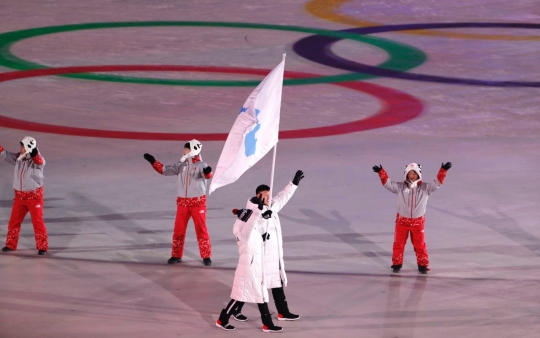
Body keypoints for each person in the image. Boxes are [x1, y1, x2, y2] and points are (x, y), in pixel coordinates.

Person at [216, 170, 304, 332]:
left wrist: (293, 184)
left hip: (269, 255)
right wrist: (261, 213)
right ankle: (253, 320)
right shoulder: (249, 215)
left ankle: (280, 313)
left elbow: (281, 198)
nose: (269, 198)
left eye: (269, 195)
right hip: (258, 257)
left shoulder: (269, 208)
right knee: (252, 290)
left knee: (269, 284)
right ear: (258, 195)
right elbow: (250, 229)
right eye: (265, 195)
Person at [216, 196, 283, 332]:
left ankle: (267, 324)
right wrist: (258, 212)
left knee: (260, 295)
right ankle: (222, 320)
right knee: (238, 297)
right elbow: (250, 225)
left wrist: (264, 218)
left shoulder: (253, 227)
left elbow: (256, 226)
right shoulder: (242, 229)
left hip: (256, 266)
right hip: (248, 267)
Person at [143, 139, 213, 266]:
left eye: (186, 149)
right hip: (183, 204)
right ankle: (176, 255)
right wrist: (153, 162)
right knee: (178, 231)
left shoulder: (202, 165)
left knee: (201, 230)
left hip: (198, 204)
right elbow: (165, 170)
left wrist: (208, 172)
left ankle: (206, 256)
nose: (184, 151)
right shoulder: (181, 165)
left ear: (193, 150)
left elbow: (207, 175)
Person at [373, 162, 451, 274]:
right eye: (410, 173)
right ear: (406, 174)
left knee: (420, 245)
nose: (412, 175)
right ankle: (397, 263)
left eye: (415, 173)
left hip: (418, 223)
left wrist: (443, 170)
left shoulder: (426, 188)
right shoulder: (400, 187)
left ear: (419, 174)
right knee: (398, 244)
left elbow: (437, 183)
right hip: (402, 223)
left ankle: (423, 265)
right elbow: (388, 184)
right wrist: (381, 172)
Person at [1, 136, 48, 255]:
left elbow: (39, 161)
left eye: (22, 147)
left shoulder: (38, 160)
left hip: (34, 198)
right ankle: (10, 245)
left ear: (28, 148)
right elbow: (5, 154)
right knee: (13, 222)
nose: (20, 149)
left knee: (37, 222)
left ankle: (42, 247)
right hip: (19, 198)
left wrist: (33, 152)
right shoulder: (19, 158)